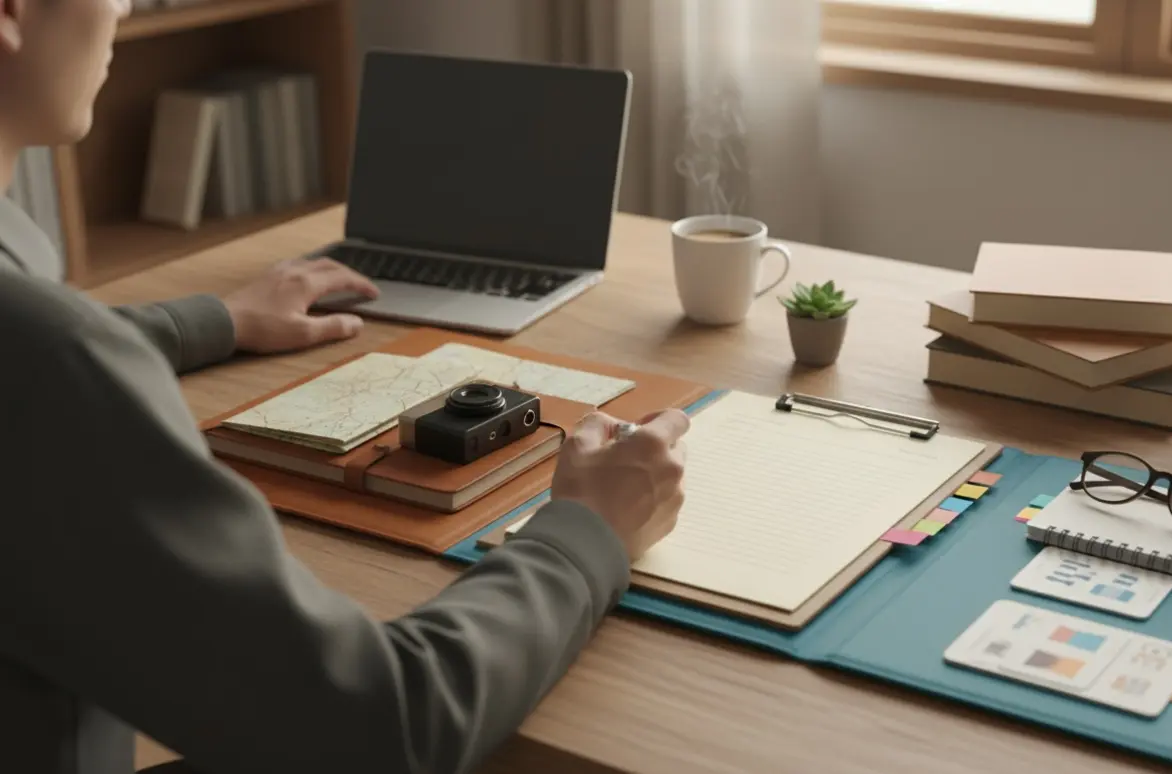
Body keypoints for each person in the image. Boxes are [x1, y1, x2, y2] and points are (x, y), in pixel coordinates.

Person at [0, 1, 692, 773]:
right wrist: (583, 533)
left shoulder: (39, 346)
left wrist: (216, 320)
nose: (124, 5)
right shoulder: (48, 363)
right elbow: (380, 728)